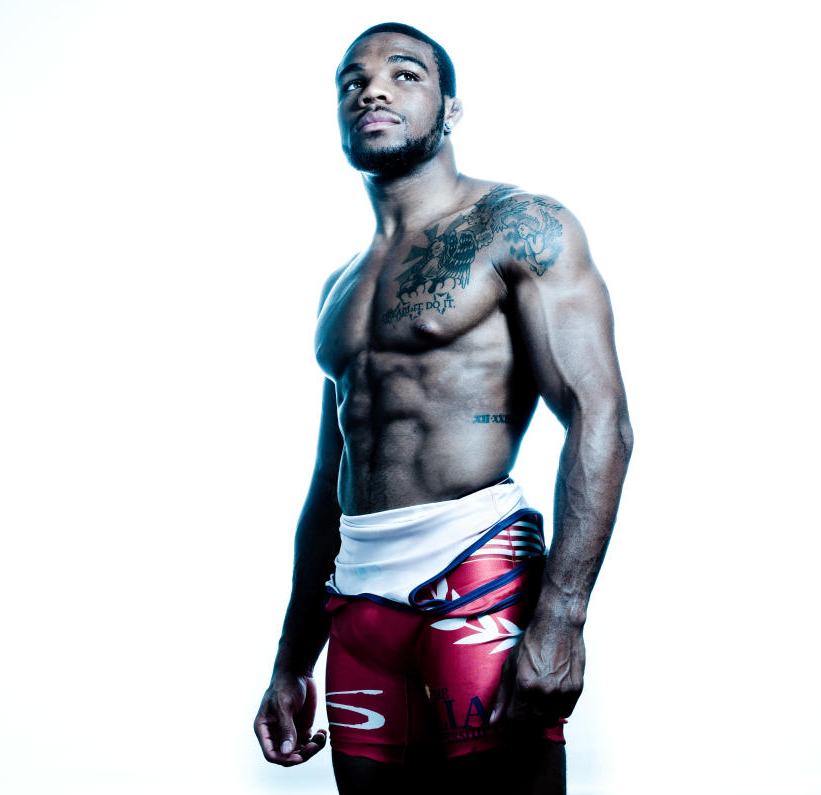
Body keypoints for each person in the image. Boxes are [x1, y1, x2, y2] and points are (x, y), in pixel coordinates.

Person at [254, 22, 633, 795]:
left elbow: (602, 420)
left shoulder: (519, 226)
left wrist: (562, 614)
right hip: (358, 606)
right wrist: (292, 659)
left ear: (450, 109)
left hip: (478, 575)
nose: (373, 88)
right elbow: (334, 477)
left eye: (405, 74)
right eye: (352, 80)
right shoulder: (340, 286)